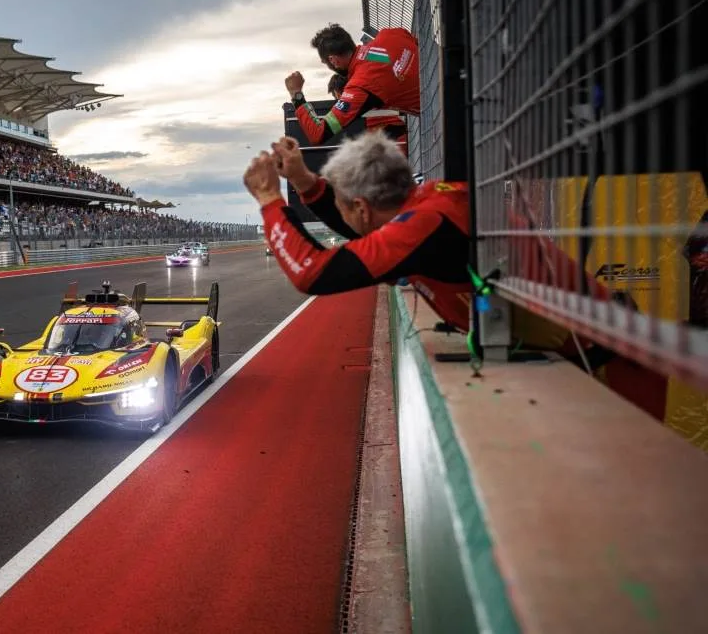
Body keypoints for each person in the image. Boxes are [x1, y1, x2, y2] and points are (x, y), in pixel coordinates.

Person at [243, 131, 669, 420]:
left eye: (341, 204)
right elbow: (362, 239)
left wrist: (268, 200)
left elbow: (313, 274)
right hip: (593, 351)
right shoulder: (428, 208)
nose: (342, 213)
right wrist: (302, 180)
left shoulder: (419, 230)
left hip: (611, 370)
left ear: (362, 207)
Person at [285, 24, 419, 148]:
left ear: (333, 60)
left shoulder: (360, 86)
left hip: (436, 107)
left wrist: (296, 94)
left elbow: (317, 134)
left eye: (325, 62)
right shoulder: (390, 34)